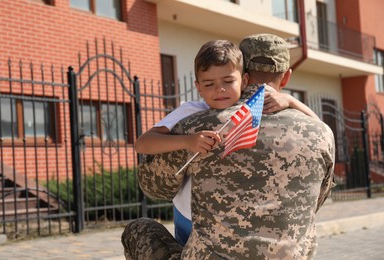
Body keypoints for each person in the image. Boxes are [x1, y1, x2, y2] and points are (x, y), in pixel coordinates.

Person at [123, 33, 335, 259]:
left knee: (138, 230)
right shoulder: (320, 132)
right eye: (210, 83)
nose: (219, 89)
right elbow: (318, 199)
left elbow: (155, 188)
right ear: (286, 77)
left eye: (226, 81)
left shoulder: (197, 125)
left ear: (243, 75)